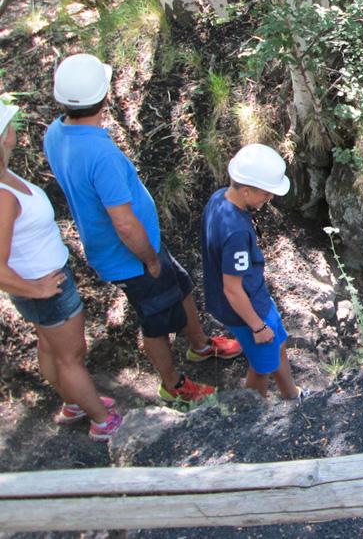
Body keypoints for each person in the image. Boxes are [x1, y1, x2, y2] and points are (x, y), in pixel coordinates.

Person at [43, 53, 241, 405]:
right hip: (131, 255)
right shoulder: (100, 155)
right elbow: (123, 221)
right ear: (104, 97)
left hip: (130, 248)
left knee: (180, 286)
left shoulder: (57, 132)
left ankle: (199, 346)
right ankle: (173, 384)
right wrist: (149, 259)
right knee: (156, 322)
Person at [0, 101, 122, 441]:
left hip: (46, 283)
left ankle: (74, 402)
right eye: (8, 126)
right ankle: (101, 421)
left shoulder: (6, 176)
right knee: (72, 357)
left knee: (50, 347)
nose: (15, 130)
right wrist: (35, 289)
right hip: (46, 289)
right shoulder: (3, 197)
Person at [202, 144, 307, 400]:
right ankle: (251, 413)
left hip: (254, 298)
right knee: (261, 367)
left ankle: (291, 394)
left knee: (278, 343)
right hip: (247, 310)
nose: (269, 198)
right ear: (247, 190)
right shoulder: (235, 231)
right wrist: (258, 327)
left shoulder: (220, 198)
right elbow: (233, 289)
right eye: (267, 193)